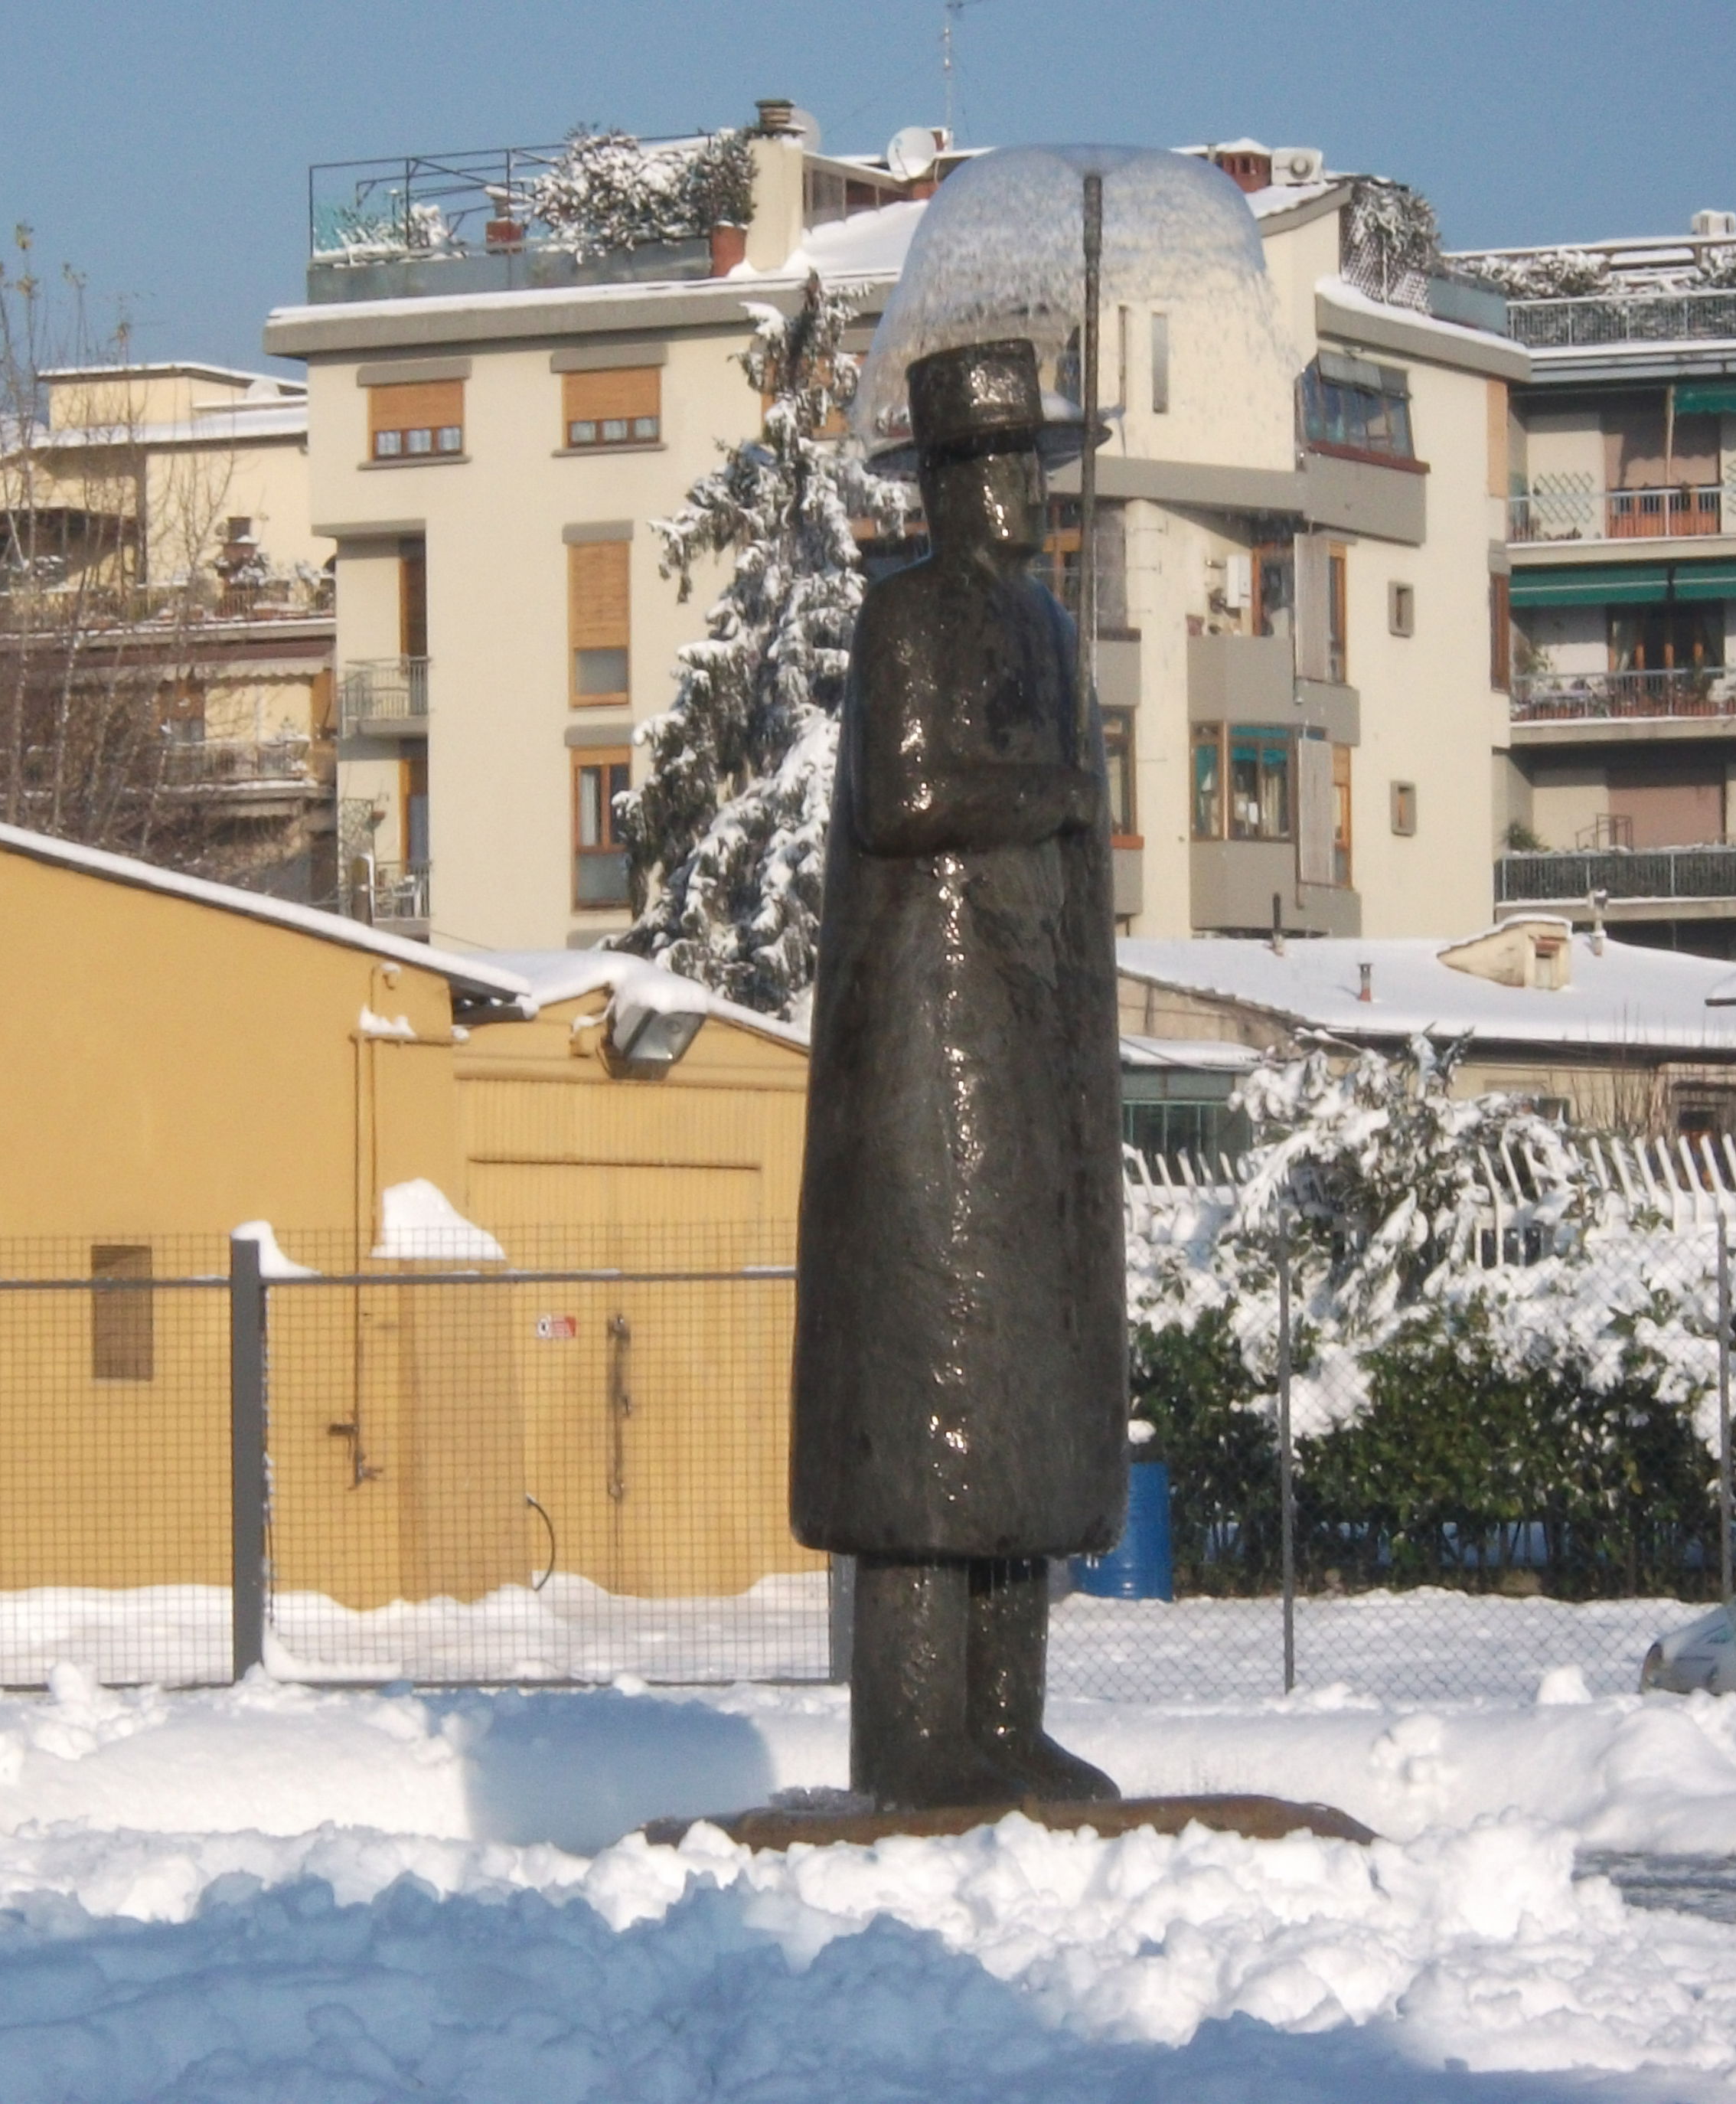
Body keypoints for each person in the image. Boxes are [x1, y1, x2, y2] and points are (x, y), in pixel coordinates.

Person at [791, 339, 1124, 1812]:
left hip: (1026, 1041)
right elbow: (906, 795)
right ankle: (916, 1723)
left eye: (1027, 467)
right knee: (928, 1380)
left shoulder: (1049, 624)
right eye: (993, 469)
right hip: (929, 1046)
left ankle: (1006, 1716)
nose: (1015, 495)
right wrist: (1048, 790)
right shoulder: (905, 613)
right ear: (942, 482)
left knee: (1021, 1403)